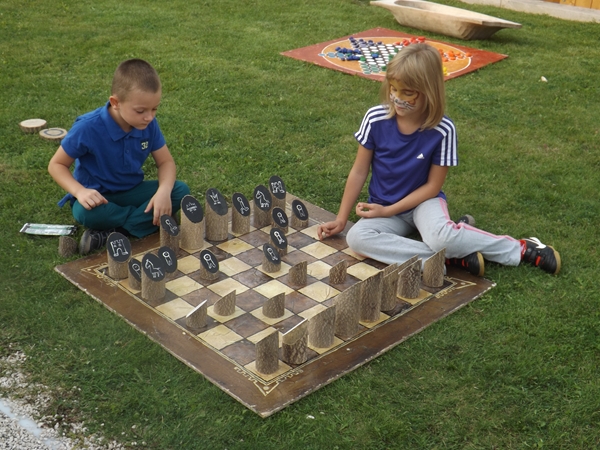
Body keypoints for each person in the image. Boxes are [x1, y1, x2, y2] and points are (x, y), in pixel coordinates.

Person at [317, 44, 560, 275]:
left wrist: (388, 209)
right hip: (385, 207)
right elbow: (359, 171)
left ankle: (522, 248)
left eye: (407, 93)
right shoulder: (375, 119)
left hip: (424, 203)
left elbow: (432, 187)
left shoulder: (443, 129)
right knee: (357, 238)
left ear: (429, 91)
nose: (397, 98)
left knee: (441, 237)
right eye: (393, 89)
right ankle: (448, 255)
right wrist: (341, 218)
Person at [48, 59, 190, 254]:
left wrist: (163, 192)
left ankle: (114, 232)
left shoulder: (148, 124)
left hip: (132, 191)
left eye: (154, 109)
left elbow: (165, 161)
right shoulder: (87, 127)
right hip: (98, 197)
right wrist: (80, 192)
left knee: (180, 190)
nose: (149, 117)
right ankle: (149, 220)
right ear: (115, 103)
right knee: (83, 212)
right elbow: (56, 165)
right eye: (140, 111)